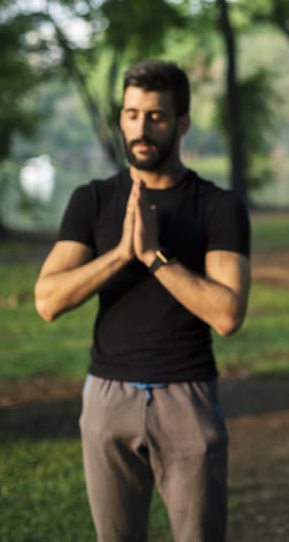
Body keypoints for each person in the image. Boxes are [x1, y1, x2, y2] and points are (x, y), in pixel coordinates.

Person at [34, 59, 251, 542]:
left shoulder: (218, 207)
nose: (141, 127)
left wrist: (154, 256)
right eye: (131, 114)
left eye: (155, 115)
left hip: (186, 396)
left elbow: (228, 313)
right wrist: (119, 255)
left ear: (181, 123)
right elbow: (47, 300)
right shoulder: (91, 200)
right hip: (107, 396)